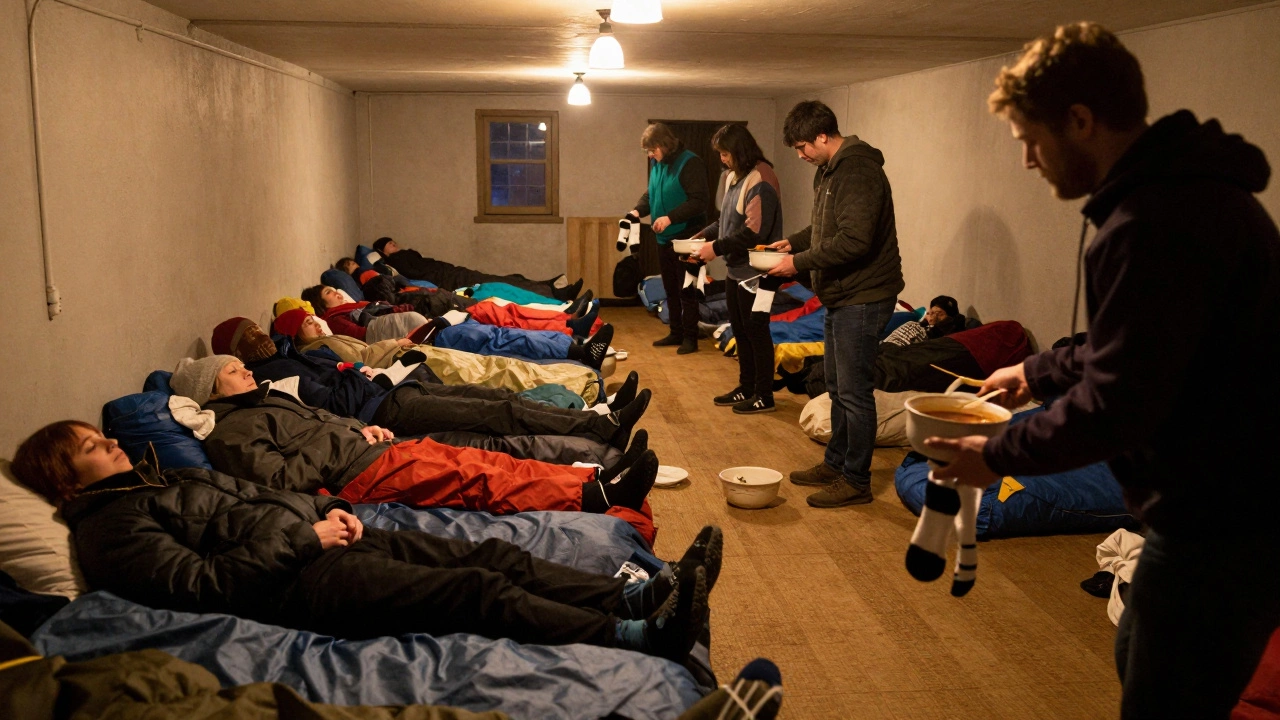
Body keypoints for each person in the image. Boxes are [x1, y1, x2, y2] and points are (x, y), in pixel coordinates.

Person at [924, 22, 1280, 719]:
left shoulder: (1155, 221)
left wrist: (996, 453)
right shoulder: (1181, 198)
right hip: (1212, 510)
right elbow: (1142, 339)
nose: (1028, 160)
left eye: (1031, 139)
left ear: (1080, 121)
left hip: (1225, 520)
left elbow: (1121, 401)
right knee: (1138, 660)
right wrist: (1037, 370)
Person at [9, 421, 716, 661]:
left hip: (325, 537)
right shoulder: (109, 531)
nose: (110, 444)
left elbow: (259, 501)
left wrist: (334, 514)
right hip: (293, 586)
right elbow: (206, 586)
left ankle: (631, 593)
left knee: (488, 553)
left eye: (99, 436)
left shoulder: (150, 484)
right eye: (91, 449)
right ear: (67, 485)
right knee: (472, 589)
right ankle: (635, 637)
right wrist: (306, 541)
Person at [168, 356, 657, 538]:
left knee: (486, 459)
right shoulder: (230, 432)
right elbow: (280, 481)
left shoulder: (265, 398)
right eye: (234, 370)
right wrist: (345, 442)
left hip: (374, 449)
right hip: (355, 476)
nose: (247, 369)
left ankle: (594, 481)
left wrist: (359, 429)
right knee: (477, 479)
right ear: (210, 388)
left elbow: (328, 419)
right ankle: (593, 499)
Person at [211, 316, 644, 467]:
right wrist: (361, 374)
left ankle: (599, 421)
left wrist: (361, 370)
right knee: (500, 416)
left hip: (398, 386)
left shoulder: (295, 353)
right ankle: (600, 425)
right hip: (386, 408)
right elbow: (339, 398)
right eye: (244, 346)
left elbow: (349, 367)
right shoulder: (272, 378)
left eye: (254, 330)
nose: (256, 340)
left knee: (500, 398)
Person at [768, 100, 904, 508]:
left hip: (864, 297)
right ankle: (836, 462)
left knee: (855, 391)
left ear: (824, 136)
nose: (800, 154)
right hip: (841, 295)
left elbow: (854, 241)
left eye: (803, 146)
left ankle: (856, 479)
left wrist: (796, 262)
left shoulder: (859, 171)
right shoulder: (829, 171)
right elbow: (825, 227)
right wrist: (795, 241)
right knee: (836, 386)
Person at [689, 124, 783, 414]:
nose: (722, 159)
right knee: (740, 330)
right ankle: (746, 387)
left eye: (725, 153)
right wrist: (701, 237)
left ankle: (763, 395)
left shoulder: (761, 178)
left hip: (758, 272)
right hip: (736, 270)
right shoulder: (733, 177)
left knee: (757, 332)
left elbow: (753, 232)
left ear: (739, 151)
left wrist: (714, 248)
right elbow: (725, 223)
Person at [301, 286, 614, 370]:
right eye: (331, 293)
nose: (339, 292)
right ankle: (572, 338)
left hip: (436, 316)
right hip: (426, 332)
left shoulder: (352, 307)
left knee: (502, 316)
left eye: (336, 288)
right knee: (500, 331)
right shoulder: (338, 323)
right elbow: (374, 338)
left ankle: (571, 328)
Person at [627, 123, 710, 354]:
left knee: (688, 289)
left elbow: (699, 201)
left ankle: (691, 338)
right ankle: (676, 332)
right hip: (665, 239)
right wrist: (637, 211)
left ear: (664, 144)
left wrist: (670, 218)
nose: (650, 155)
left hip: (688, 236)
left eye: (652, 150)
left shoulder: (690, 163)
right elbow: (651, 193)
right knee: (670, 288)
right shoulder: (657, 163)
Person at [372, 237, 583, 302]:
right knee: (501, 284)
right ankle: (554, 292)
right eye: (389, 244)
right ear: (383, 251)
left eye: (393, 241)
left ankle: (548, 285)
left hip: (452, 271)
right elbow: (418, 274)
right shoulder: (397, 262)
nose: (395, 244)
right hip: (449, 280)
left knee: (508, 278)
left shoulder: (406, 253)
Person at [881, 296, 967, 347]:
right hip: (884, 349)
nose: (933, 317)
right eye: (932, 312)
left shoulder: (944, 338)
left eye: (940, 314)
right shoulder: (914, 324)